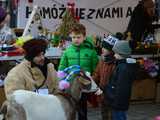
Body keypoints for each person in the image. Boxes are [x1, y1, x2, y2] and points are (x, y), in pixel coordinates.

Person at [58, 23, 99, 120]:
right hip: (70, 84)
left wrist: (93, 78)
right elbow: (62, 68)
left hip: (84, 84)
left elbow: (96, 69)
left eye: (78, 37)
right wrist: (61, 80)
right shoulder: (67, 52)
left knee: (82, 107)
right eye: (73, 37)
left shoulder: (91, 52)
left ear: (84, 37)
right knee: (69, 107)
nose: (76, 39)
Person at [105, 40, 138, 120]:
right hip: (118, 100)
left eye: (116, 53)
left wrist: (113, 98)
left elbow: (121, 87)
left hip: (118, 101)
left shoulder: (124, 68)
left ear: (122, 54)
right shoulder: (122, 64)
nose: (115, 55)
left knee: (119, 117)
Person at [92, 36, 117, 120]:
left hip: (111, 93)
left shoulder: (115, 63)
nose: (103, 49)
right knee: (104, 112)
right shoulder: (102, 60)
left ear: (111, 50)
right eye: (103, 47)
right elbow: (97, 73)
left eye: (105, 48)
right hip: (101, 91)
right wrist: (91, 81)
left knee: (111, 114)